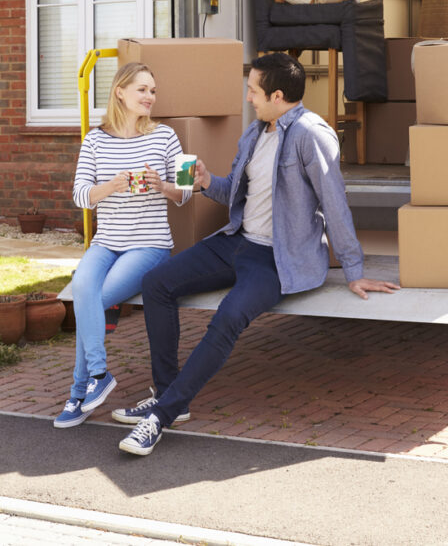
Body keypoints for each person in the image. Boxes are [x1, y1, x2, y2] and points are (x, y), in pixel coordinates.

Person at [113, 52, 399, 454]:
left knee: (229, 316)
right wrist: (207, 181)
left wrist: (354, 269)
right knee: (157, 284)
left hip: (277, 258)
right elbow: (235, 191)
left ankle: (161, 416)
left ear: (277, 94)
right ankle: (167, 395)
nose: (248, 98)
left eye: (253, 91)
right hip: (237, 241)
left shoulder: (310, 135)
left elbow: (335, 204)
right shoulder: (255, 132)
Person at [54, 61, 191, 428]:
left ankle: (78, 393)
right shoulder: (95, 140)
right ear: (120, 92)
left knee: (93, 301)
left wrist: (161, 184)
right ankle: (99, 377)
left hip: (149, 245)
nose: (149, 97)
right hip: (106, 242)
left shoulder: (167, 136)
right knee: (82, 287)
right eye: (142, 90)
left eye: (153, 91)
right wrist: (112, 186)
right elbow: (81, 196)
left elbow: (186, 192)